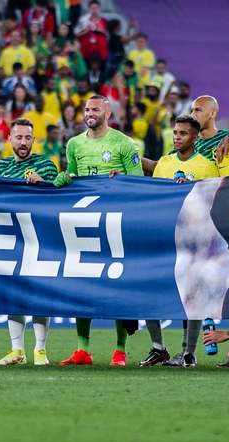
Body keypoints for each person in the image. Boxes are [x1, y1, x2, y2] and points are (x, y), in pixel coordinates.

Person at [56, 96, 143, 367]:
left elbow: (139, 182)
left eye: (95, 109)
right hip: (85, 223)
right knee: (81, 284)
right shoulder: (74, 144)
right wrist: (64, 177)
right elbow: (72, 175)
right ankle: (83, 350)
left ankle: (120, 350)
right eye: (86, 110)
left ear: (107, 112)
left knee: (116, 284)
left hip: (116, 223)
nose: (89, 113)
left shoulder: (124, 144)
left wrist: (123, 181)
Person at [141, 114, 218, 368]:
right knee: (149, 291)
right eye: (175, 133)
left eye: (183, 133)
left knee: (191, 296)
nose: (177, 137)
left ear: (195, 138)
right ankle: (158, 348)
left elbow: (212, 204)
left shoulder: (207, 167)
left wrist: (191, 189)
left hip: (193, 242)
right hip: (163, 239)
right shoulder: (164, 163)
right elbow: (153, 200)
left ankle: (188, 352)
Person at [0, 118, 57, 365]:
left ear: (34, 139)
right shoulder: (2, 167)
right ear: (9, 140)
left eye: (28, 137)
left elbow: (57, 197)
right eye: (18, 137)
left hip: (41, 239)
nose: (23, 142)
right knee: (13, 294)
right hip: (12, 239)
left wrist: (44, 184)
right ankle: (16, 350)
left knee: (39, 294)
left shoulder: (46, 165)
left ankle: (40, 351)